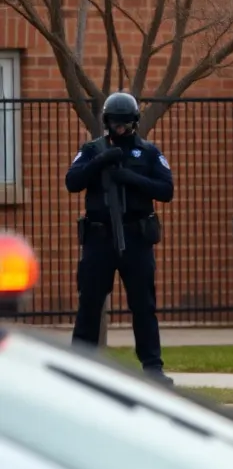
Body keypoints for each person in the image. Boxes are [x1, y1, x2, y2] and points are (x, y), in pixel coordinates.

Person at [65, 91, 173, 383]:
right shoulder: (92, 150)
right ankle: (79, 368)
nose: (120, 127)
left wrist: (131, 178)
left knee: (143, 305)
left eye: (125, 122)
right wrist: (100, 162)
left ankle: (153, 368)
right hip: (99, 238)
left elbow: (166, 190)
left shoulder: (148, 152)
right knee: (90, 304)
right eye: (115, 122)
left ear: (134, 122)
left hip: (136, 238)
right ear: (106, 121)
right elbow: (72, 181)